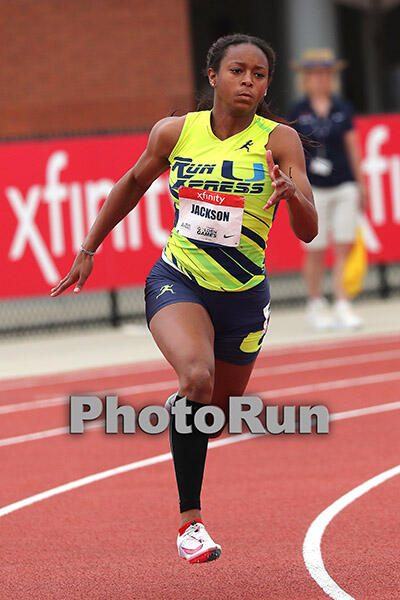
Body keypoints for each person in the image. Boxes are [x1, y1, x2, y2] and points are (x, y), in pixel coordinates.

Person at [50, 33, 317, 564]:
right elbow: (132, 182)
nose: (248, 81)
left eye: (259, 75)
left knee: (213, 416)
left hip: (244, 296)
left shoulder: (280, 140)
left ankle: (187, 410)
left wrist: (292, 196)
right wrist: (88, 248)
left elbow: (308, 230)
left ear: (267, 85)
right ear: (213, 76)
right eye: (237, 71)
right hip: (179, 279)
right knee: (196, 376)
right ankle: (190, 523)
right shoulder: (176, 132)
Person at [289, 48, 368, 331]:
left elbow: (352, 146)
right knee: (316, 247)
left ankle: (342, 302)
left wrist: (361, 183)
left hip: (343, 182)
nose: (321, 79)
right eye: (315, 74)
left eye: (325, 74)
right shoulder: (298, 110)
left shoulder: (341, 107)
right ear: (306, 78)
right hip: (314, 188)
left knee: (344, 243)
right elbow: (292, 150)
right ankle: (315, 302)